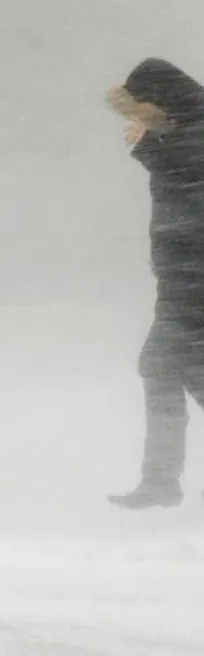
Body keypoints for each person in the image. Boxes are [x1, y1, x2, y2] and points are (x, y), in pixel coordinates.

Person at [107, 58, 204, 509]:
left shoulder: (195, 130)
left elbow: (190, 181)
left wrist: (150, 145)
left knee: (165, 364)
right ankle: (160, 481)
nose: (133, 120)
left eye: (139, 110)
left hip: (196, 277)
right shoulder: (181, 130)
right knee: (165, 366)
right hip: (181, 276)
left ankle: (161, 480)